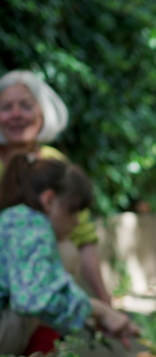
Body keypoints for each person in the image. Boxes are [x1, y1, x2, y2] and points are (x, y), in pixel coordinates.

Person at [0, 154, 137, 357]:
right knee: (66, 253)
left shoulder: (16, 218)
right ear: (49, 200)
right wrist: (99, 310)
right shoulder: (31, 225)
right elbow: (33, 298)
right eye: (73, 212)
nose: (76, 223)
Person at [0, 70, 112, 305]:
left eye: (26, 106)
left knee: (67, 250)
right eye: (6, 107)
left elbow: (82, 235)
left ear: (42, 113)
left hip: (37, 282)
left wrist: (106, 302)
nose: (16, 115)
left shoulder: (54, 164)